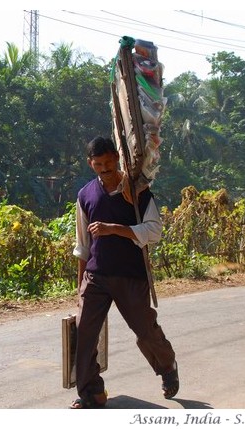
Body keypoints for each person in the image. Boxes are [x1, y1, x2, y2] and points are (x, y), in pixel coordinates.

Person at [70, 136, 178, 409]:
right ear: (90, 164)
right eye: (98, 164)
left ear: (117, 158)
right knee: (84, 332)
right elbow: (83, 245)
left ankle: (167, 366)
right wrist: (80, 285)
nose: (104, 169)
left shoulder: (138, 191)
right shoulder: (85, 195)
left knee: (144, 329)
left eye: (108, 163)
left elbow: (154, 231)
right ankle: (91, 392)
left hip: (130, 275)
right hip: (95, 276)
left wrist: (116, 228)